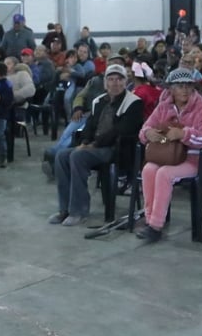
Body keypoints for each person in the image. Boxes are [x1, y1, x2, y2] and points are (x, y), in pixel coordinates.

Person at [48, 64, 143, 226]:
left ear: (125, 82)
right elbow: (90, 126)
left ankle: (79, 211)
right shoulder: (98, 101)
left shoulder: (134, 102)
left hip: (117, 149)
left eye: (119, 79)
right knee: (62, 155)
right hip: (95, 146)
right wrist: (85, 142)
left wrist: (94, 144)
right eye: (111, 79)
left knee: (78, 156)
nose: (115, 83)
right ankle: (64, 209)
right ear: (105, 82)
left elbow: (121, 130)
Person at [135, 68, 202, 243]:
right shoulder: (163, 105)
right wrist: (148, 133)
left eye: (188, 85)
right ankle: (150, 220)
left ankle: (156, 226)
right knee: (149, 170)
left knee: (164, 174)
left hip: (195, 159)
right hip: (166, 155)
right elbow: (144, 129)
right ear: (171, 89)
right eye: (180, 86)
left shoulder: (201, 106)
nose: (185, 90)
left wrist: (184, 134)